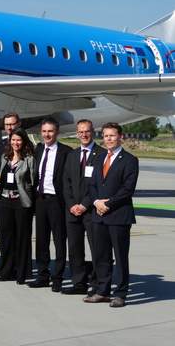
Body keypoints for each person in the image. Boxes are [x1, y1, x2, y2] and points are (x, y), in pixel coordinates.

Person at [84, 123, 139, 308]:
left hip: (118, 215)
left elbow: (127, 189)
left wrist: (107, 204)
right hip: (98, 215)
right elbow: (91, 185)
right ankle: (102, 291)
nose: (108, 139)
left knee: (120, 257)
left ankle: (121, 293)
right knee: (101, 256)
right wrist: (96, 202)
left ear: (120, 137)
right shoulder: (98, 158)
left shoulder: (130, 160)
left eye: (112, 135)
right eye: (106, 136)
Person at [29, 117, 72, 292]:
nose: (47, 134)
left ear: (57, 132)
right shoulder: (38, 149)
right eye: (44, 131)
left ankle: (58, 277)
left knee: (59, 241)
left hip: (57, 201)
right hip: (40, 200)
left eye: (50, 131)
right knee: (41, 240)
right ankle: (42, 275)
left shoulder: (66, 152)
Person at [62, 119, 102, 295]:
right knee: (75, 249)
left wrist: (84, 205)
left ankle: (97, 283)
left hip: (91, 210)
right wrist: (72, 204)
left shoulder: (101, 154)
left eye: (87, 131)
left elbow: (99, 184)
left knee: (97, 248)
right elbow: (66, 182)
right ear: (77, 133)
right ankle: (78, 283)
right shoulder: (72, 154)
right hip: (72, 211)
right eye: (81, 132)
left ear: (93, 132)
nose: (84, 135)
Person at [0, 129, 36, 284]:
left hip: (21, 201)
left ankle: (22, 272)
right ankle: (6, 270)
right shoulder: (5, 157)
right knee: (5, 237)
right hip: (4, 200)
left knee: (22, 237)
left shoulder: (29, 159)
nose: (15, 143)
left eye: (18, 140)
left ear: (24, 141)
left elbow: (33, 181)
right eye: (13, 140)